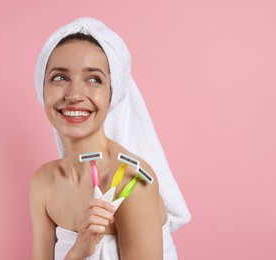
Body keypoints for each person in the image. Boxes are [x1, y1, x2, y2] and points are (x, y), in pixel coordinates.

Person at [30, 17, 191, 260]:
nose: (74, 95)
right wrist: (77, 252)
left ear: (112, 94)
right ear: (42, 90)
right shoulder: (43, 183)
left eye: (93, 79)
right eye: (60, 77)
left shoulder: (133, 182)